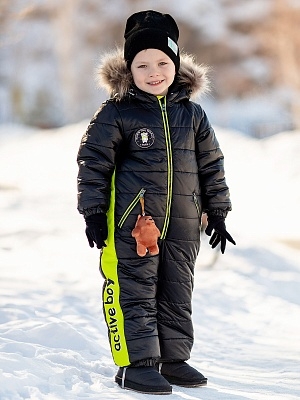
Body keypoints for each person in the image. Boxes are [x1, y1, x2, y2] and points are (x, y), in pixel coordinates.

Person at [77, 10, 235, 395]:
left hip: (182, 222)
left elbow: (211, 164)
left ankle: (172, 359)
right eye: (142, 64)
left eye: (163, 62)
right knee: (136, 290)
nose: (154, 72)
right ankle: (137, 364)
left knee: (177, 289)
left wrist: (217, 211)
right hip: (136, 225)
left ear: (176, 64)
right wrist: (94, 212)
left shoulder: (192, 114)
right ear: (129, 69)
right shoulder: (116, 112)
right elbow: (92, 162)